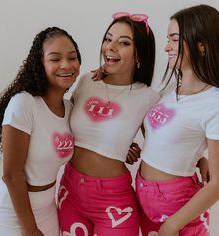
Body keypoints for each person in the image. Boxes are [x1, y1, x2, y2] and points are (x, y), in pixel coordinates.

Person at [57, 12, 159, 236]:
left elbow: (166, 141)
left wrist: (200, 158)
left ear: (139, 54)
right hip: (71, 191)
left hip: (114, 202)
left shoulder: (148, 97)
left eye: (123, 43)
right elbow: (59, 120)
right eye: (108, 39)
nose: (110, 47)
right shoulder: (86, 81)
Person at [0, 26, 81, 236]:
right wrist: (30, 229)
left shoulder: (71, 109)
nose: (66, 65)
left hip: (48, 209)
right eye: (55, 59)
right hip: (14, 213)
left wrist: (126, 146)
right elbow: (12, 174)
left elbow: (94, 138)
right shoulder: (24, 104)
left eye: (72, 57)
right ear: (40, 64)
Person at [135, 4, 219, 236]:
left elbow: (218, 184)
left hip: (178, 209)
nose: (166, 47)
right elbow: (168, 134)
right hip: (145, 196)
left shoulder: (214, 103)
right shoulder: (172, 89)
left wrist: (173, 224)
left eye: (174, 39)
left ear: (201, 45)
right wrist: (199, 156)